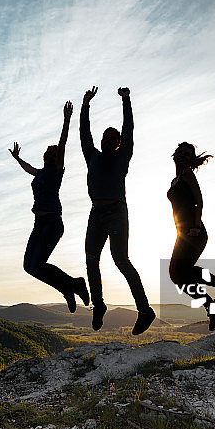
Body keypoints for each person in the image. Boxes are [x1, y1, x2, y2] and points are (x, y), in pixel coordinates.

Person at [80, 86, 155, 334]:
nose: (109, 139)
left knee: (121, 259)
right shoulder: (92, 155)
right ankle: (99, 305)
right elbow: (84, 134)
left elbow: (130, 128)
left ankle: (145, 310)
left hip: (116, 213)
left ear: (119, 142)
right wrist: (85, 105)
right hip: (96, 214)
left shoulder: (123, 155)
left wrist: (126, 100)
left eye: (113, 137)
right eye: (106, 137)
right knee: (91, 259)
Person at [9, 101, 90, 313]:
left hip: (52, 222)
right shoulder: (40, 173)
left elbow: (62, 145)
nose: (50, 154)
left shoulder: (56, 172)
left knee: (37, 263)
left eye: (53, 154)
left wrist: (66, 120)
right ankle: (68, 286)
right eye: (47, 152)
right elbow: (29, 169)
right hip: (39, 223)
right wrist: (18, 158)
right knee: (29, 266)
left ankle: (73, 285)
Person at [167, 142, 215, 331]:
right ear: (174, 155)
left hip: (194, 231)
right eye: (180, 152)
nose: (182, 155)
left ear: (191, 159)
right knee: (179, 275)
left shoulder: (187, 174)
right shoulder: (174, 180)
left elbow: (198, 200)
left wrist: (197, 225)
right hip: (183, 233)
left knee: (177, 273)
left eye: (187, 153)